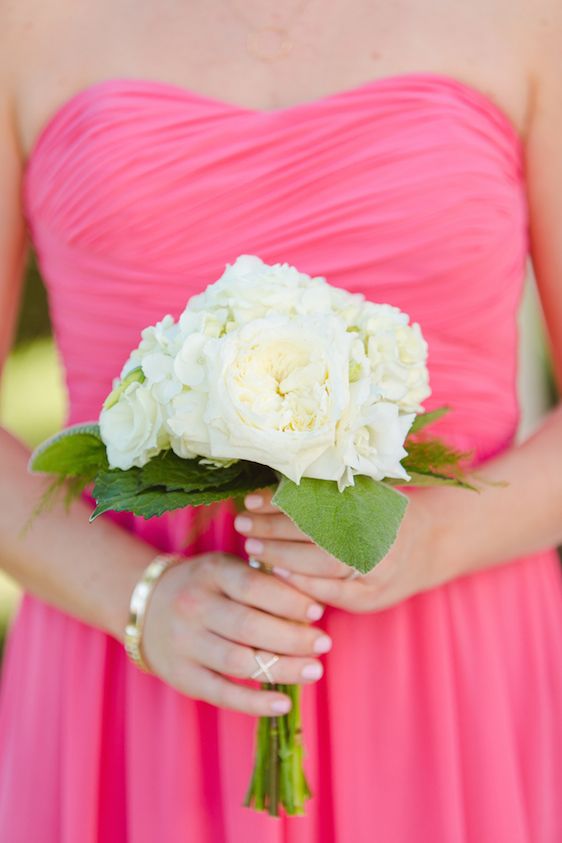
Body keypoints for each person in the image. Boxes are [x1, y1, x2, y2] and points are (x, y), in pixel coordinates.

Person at [1, 1, 562, 840]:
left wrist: (432, 539)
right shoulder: (29, 24)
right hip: (129, 663)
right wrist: (138, 596)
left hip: (445, 665)